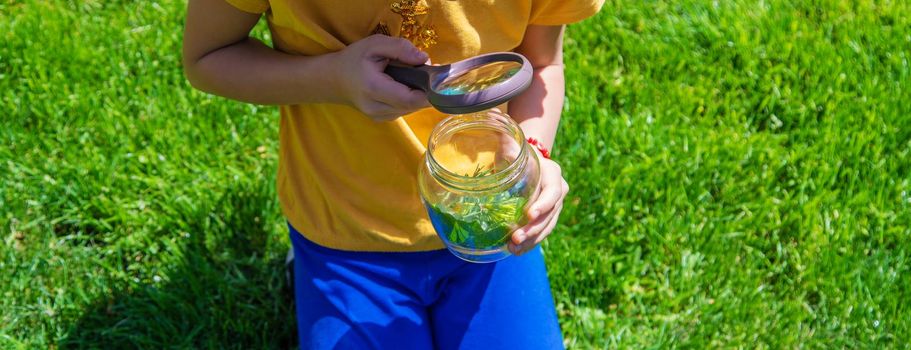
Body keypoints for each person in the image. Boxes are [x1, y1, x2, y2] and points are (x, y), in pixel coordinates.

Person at [183, 0, 602, 348]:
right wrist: (332, 78)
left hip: (488, 227)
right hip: (344, 235)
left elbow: (542, 64)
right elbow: (208, 56)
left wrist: (534, 153)